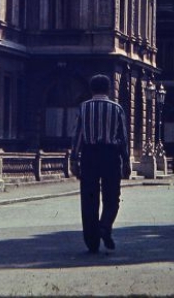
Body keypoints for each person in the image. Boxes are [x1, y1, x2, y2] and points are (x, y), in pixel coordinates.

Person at [71, 74, 131, 253]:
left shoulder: (84, 107)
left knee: (89, 198)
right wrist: (126, 160)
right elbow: (123, 137)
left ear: (91, 89)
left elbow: (78, 135)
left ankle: (92, 241)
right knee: (112, 196)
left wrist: (74, 159)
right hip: (110, 155)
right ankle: (105, 226)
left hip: (89, 154)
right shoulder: (117, 108)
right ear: (108, 89)